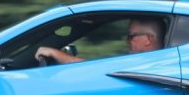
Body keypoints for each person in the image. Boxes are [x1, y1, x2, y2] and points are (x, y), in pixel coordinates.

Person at [34, 17, 164, 65]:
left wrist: (54, 53)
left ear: (148, 39)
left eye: (131, 36)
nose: (127, 41)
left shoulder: (147, 64)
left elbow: (88, 68)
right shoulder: (150, 61)